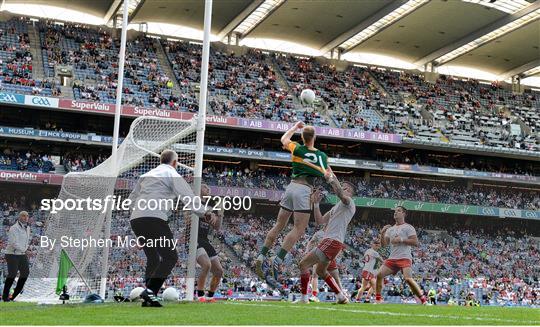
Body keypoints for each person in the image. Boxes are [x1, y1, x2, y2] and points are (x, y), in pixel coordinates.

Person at [129, 149, 215, 307]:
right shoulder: (172, 173)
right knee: (170, 257)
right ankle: (150, 292)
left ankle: (148, 296)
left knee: (154, 258)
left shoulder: (146, 175)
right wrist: (205, 212)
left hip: (136, 220)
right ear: (175, 163)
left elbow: (132, 198)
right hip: (154, 218)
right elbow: (187, 197)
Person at [255, 121, 329, 283]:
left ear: (302, 137)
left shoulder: (297, 147)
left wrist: (295, 127)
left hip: (291, 187)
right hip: (304, 190)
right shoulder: (321, 156)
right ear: (314, 137)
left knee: (279, 225)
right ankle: (278, 258)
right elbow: (328, 174)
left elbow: (283, 139)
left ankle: (262, 255)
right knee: (299, 228)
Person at [297, 177, 356, 304]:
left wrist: (332, 180)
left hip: (331, 241)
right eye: (341, 186)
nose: (341, 188)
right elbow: (320, 221)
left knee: (303, 264)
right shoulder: (337, 207)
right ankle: (341, 297)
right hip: (332, 242)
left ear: (349, 192)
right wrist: (316, 203)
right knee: (320, 271)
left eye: (344, 187)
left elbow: (339, 193)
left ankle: (304, 298)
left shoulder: (349, 202)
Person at [375, 206, 427, 305]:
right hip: (392, 258)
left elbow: (415, 242)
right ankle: (378, 299)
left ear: (404, 214)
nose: (395, 212)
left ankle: (423, 300)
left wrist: (401, 240)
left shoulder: (408, 227)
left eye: (398, 211)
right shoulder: (390, 229)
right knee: (379, 275)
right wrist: (382, 233)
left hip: (404, 257)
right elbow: (384, 245)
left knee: (408, 279)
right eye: (395, 211)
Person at [195, 184, 224, 303]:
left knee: (219, 271)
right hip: (194, 239)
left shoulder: (211, 206)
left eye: (208, 188)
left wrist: (221, 213)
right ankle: (200, 295)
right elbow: (188, 220)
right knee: (206, 265)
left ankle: (210, 296)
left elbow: (217, 227)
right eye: (204, 187)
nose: (208, 189)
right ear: (198, 189)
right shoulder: (194, 202)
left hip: (205, 239)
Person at [2, 211, 31, 302]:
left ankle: (14, 295)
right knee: (12, 274)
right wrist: (25, 250)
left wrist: (25, 250)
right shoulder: (13, 228)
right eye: (23, 215)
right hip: (12, 254)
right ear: (19, 217)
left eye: (27, 216)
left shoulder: (28, 228)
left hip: (21, 254)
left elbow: (26, 242)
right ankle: (5, 296)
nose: (25, 217)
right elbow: (14, 243)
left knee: (25, 273)